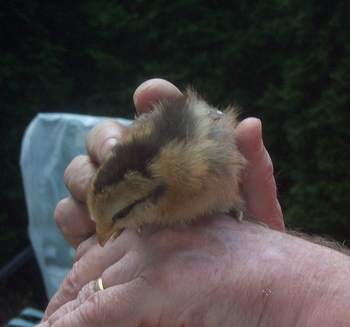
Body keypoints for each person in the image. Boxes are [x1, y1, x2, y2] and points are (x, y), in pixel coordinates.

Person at [36, 79, 350, 327]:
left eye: (116, 218)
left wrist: (268, 285)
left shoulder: (197, 171)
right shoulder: (153, 178)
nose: (105, 239)